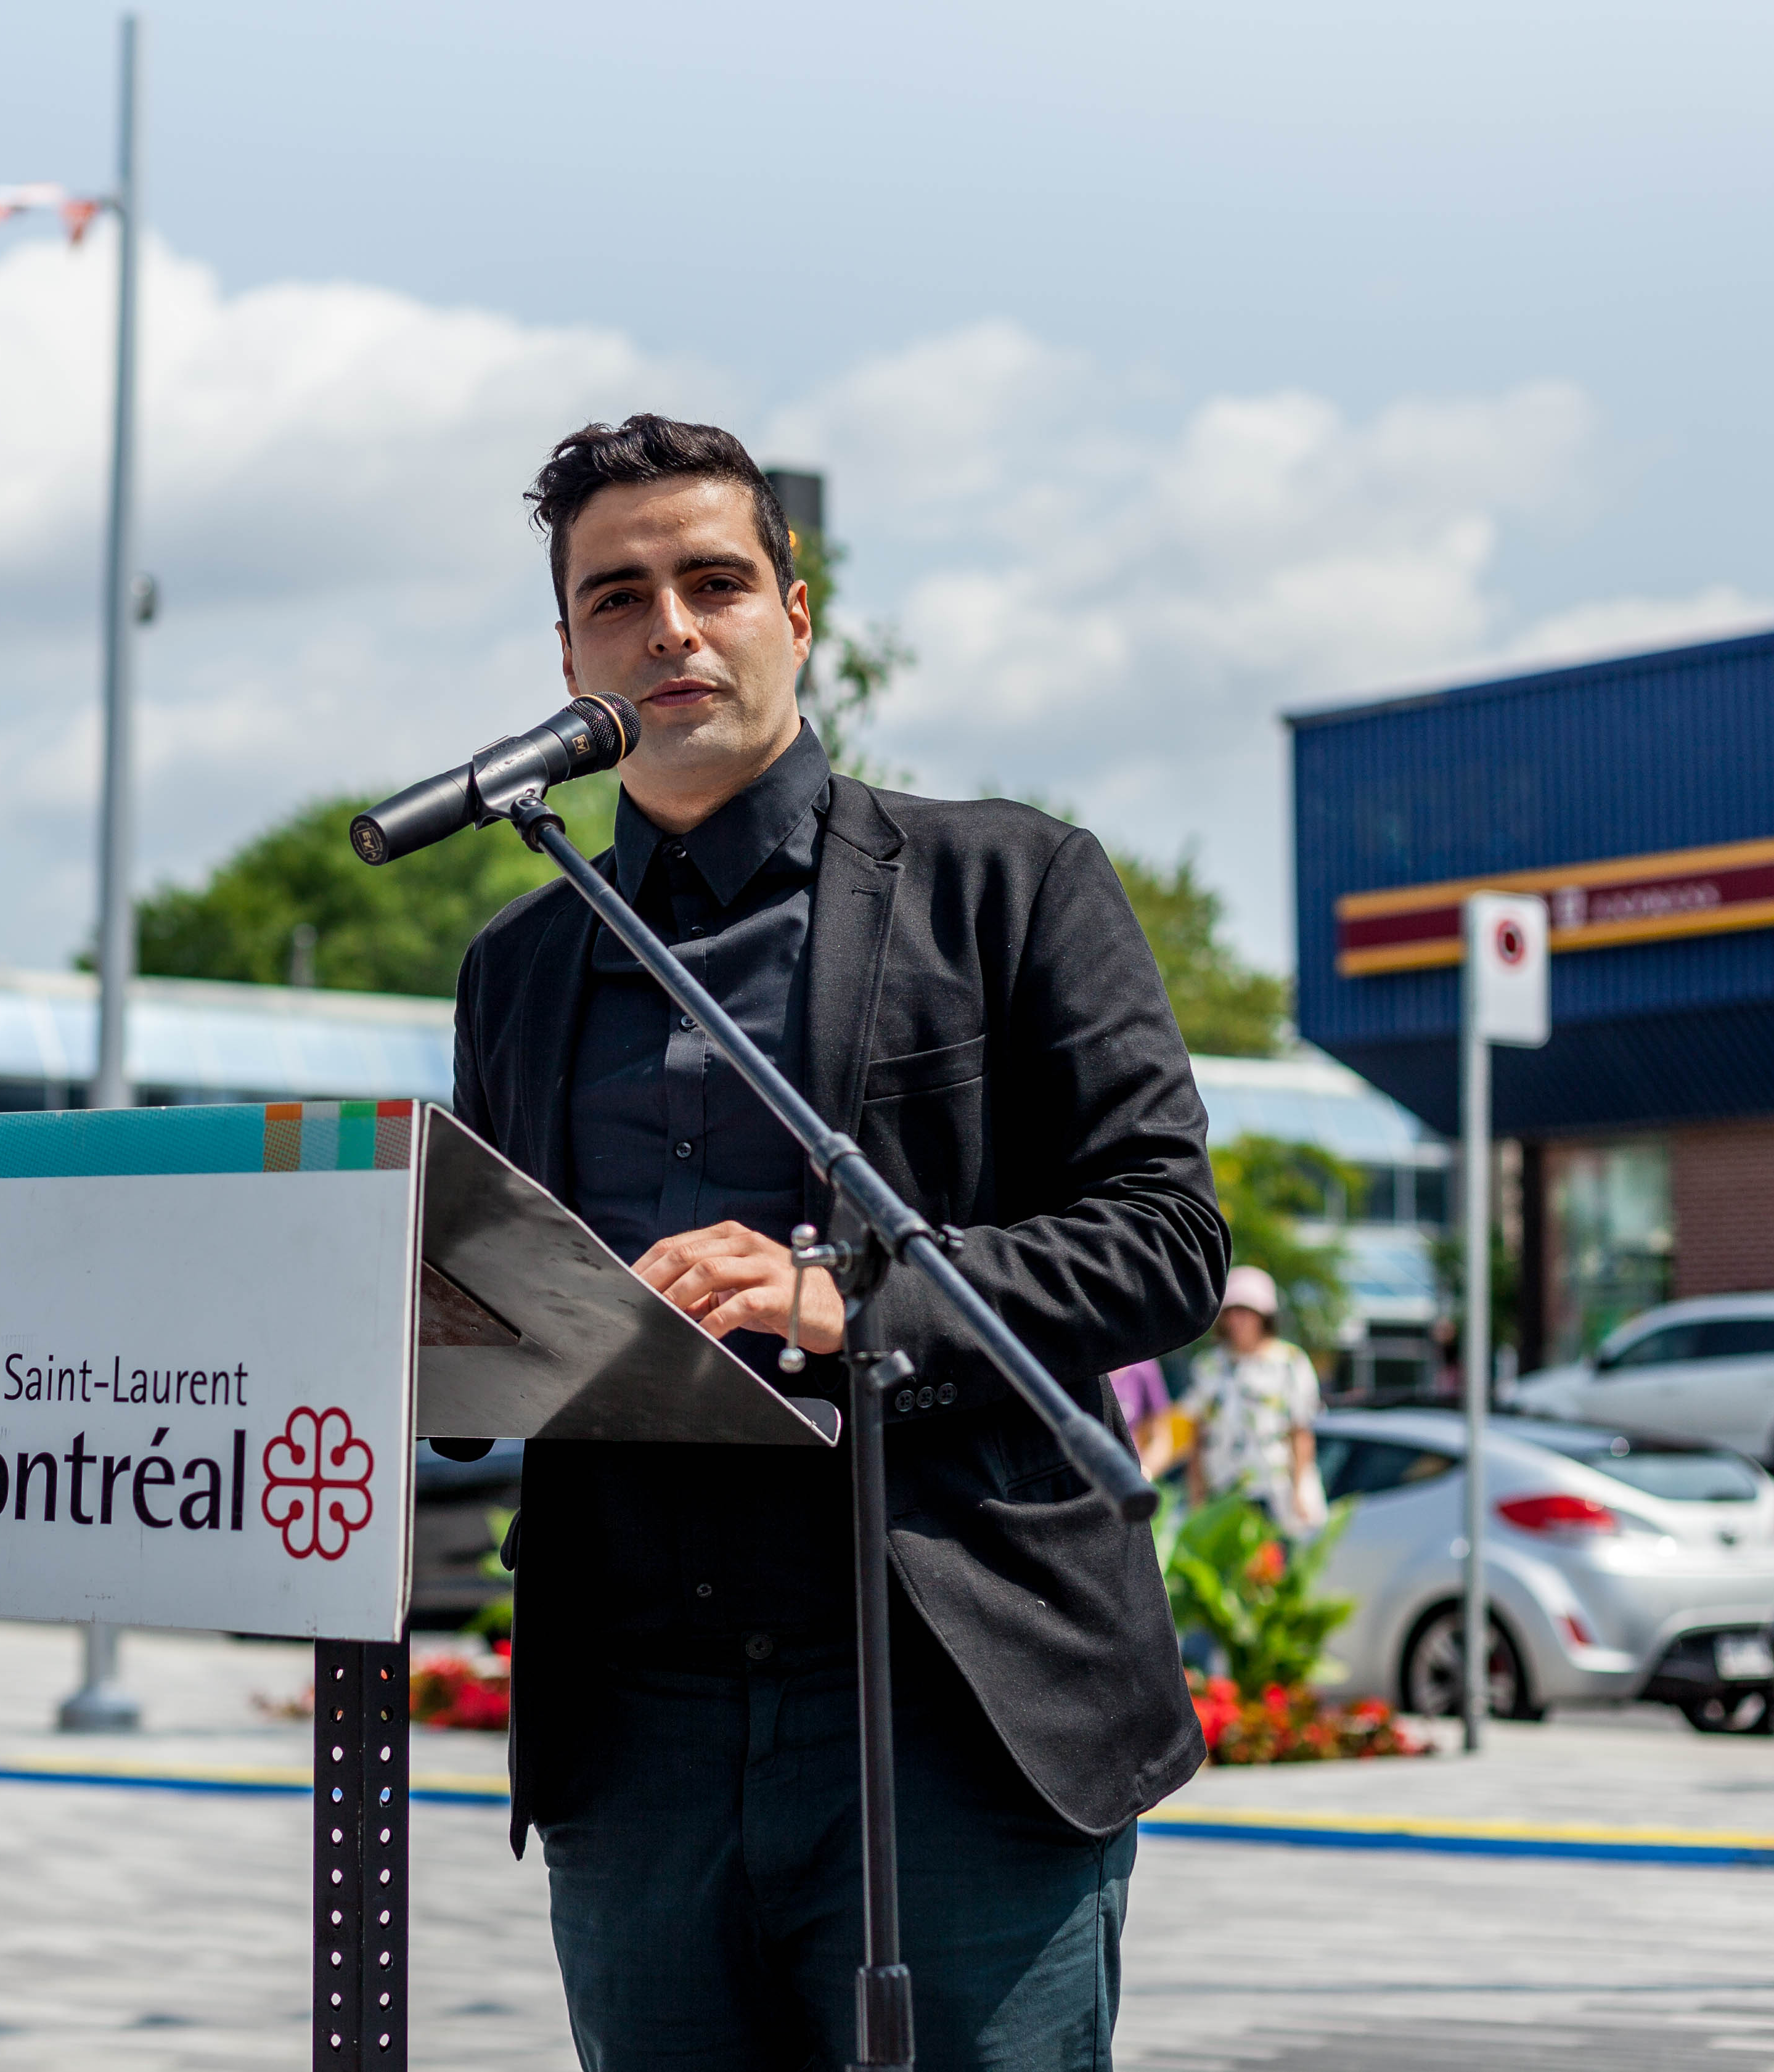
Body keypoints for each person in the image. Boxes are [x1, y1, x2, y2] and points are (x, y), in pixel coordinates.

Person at [450, 416, 1228, 2070]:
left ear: (796, 617)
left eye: (714, 582)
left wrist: (843, 1294)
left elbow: (1166, 1239)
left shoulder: (1010, 884)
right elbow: (496, 1311)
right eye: (616, 597)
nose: (670, 628)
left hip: (949, 1712)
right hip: (636, 1742)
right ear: (568, 654)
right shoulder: (516, 966)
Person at [1182, 1264, 1323, 1532]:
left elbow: (1301, 1431)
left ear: (1264, 1316)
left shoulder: (1290, 1362)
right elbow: (1197, 1435)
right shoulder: (1208, 1365)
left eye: (1246, 1312)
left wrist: (1300, 1491)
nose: (1238, 1320)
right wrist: (1196, 1494)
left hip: (1274, 1492)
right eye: (1232, 1312)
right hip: (1221, 1489)